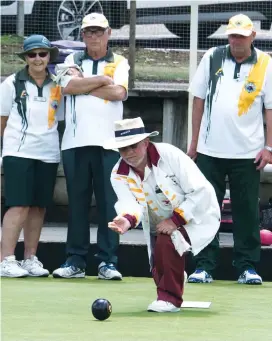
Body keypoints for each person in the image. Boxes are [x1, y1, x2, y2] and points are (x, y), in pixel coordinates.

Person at [187, 14, 272, 285]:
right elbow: (198, 100)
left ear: (252, 36)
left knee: (247, 211)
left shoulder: (266, 63)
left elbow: (270, 110)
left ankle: (247, 266)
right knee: (206, 207)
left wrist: (269, 147)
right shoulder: (211, 56)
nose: (236, 41)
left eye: (242, 36)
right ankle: (204, 265)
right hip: (209, 150)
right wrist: (194, 144)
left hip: (248, 153)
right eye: (233, 36)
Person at [104, 117, 221, 312]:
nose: (129, 153)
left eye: (133, 146)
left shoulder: (170, 155)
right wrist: (126, 219)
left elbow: (202, 191)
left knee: (168, 241)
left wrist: (176, 220)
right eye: (123, 149)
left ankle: (171, 300)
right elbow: (129, 202)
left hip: (196, 212)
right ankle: (172, 279)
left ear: (145, 142)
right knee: (157, 266)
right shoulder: (118, 173)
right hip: (157, 221)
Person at [52, 13, 129, 280]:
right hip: (74, 142)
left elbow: (119, 93)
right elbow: (67, 87)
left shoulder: (120, 62)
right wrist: (103, 81)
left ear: (108, 33)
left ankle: (108, 261)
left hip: (109, 144)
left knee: (110, 204)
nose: (93, 36)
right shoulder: (72, 59)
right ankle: (75, 260)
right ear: (82, 35)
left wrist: (85, 84)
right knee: (77, 203)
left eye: (98, 31)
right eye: (88, 32)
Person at [0, 35, 63, 277]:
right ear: (25, 58)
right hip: (19, 151)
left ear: (49, 56)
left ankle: (30, 258)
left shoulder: (58, 83)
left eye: (42, 54)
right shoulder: (12, 83)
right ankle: (6, 259)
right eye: (32, 54)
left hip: (47, 153)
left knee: (38, 207)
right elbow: (2, 119)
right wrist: (8, 147)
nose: (37, 59)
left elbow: (60, 118)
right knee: (19, 205)